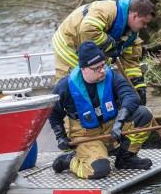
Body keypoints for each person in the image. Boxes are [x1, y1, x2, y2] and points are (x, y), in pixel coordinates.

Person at [49, 41, 154, 179]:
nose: (103, 70)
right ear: (84, 69)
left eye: (103, 65)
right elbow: (53, 113)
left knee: (144, 115)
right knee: (99, 170)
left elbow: (131, 96)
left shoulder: (112, 78)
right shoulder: (64, 87)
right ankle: (70, 161)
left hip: (112, 126)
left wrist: (119, 121)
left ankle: (125, 158)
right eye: (97, 68)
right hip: (85, 134)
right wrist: (60, 136)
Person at [52, 0, 156, 105]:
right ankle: (67, 118)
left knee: (99, 81)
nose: (145, 26)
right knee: (72, 86)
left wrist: (138, 85)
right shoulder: (106, 10)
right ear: (134, 16)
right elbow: (87, 30)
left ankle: (101, 116)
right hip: (69, 45)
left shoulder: (132, 35)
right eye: (144, 22)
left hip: (91, 48)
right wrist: (109, 45)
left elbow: (131, 63)